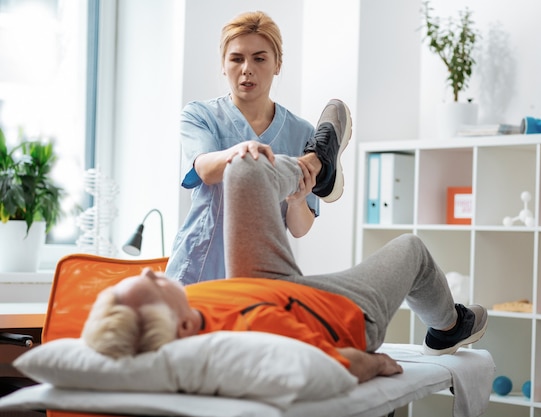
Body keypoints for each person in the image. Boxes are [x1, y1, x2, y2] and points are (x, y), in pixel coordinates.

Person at [82, 101, 488, 383]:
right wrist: (374, 366)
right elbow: (335, 366)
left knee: (243, 166)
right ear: (184, 325)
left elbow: (284, 217)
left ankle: (316, 163)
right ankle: (449, 325)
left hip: (267, 286)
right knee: (411, 250)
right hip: (341, 313)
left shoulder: (190, 311)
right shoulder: (251, 334)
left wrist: (294, 195)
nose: (153, 272)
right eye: (151, 284)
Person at [166, 11, 332, 284]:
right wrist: (243, 151)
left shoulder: (303, 133)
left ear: (277, 64)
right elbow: (206, 169)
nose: (247, 69)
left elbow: (300, 229)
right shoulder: (200, 115)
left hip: (260, 274)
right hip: (198, 268)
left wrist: (298, 199)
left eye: (259, 58)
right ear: (223, 64)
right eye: (236, 58)